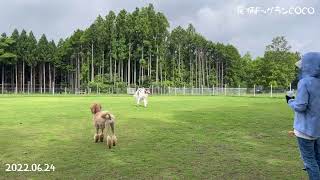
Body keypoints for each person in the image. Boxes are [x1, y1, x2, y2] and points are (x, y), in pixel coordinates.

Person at [287, 52, 320, 180]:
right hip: (318, 130)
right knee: (317, 158)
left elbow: (301, 106)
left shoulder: (304, 82)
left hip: (305, 130)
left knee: (310, 161)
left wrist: (289, 101)